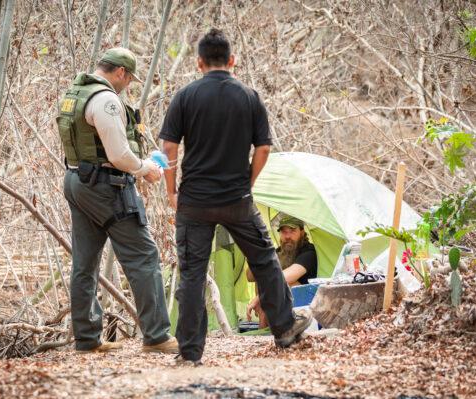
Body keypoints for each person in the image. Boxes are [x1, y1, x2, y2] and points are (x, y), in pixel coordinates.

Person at [159, 29, 311, 365]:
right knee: (265, 262)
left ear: (199, 62)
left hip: (194, 202)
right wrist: (249, 182)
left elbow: (169, 147)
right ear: (232, 60)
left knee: (192, 273)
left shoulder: (184, 96)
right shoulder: (249, 96)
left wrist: (172, 190)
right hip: (237, 199)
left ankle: (190, 352)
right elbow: (264, 147)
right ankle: (284, 329)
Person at [57, 47, 177, 353]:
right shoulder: (107, 100)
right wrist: (144, 169)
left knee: (84, 263)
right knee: (143, 257)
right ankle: (158, 336)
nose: (128, 85)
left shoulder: (75, 93)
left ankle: (86, 339)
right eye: (129, 78)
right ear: (120, 72)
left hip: (76, 180)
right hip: (106, 187)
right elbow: (119, 155)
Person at [246, 216, 318, 328]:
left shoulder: (308, 251)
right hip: (278, 309)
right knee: (262, 278)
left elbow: (287, 277)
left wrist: (260, 297)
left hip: (304, 307)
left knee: (287, 283)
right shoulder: (277, 252)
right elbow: (250, 277)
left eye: (292, 231)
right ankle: (264, 328)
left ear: (302, 232)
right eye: (284, 232)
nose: (288, 236)